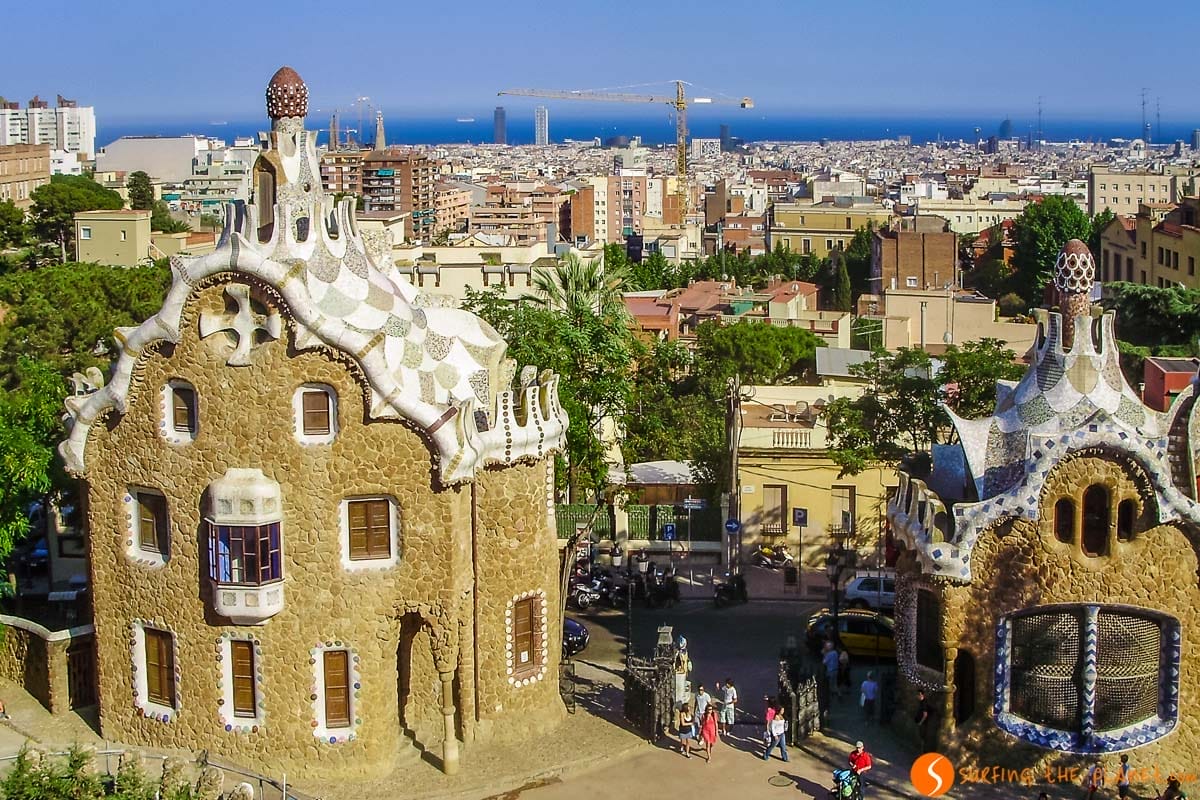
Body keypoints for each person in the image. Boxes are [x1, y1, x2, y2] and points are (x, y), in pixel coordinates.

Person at [674, 638, 691, 705]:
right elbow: (676, 660)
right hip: (679, 673)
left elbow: (685, 660)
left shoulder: (685, 651)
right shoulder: (677, 652)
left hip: (683, 672)